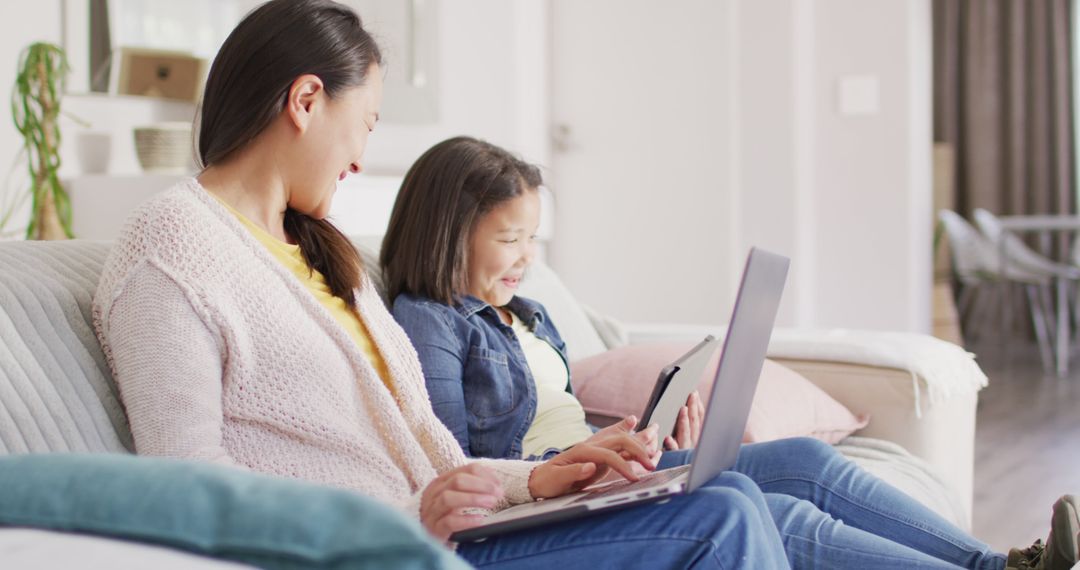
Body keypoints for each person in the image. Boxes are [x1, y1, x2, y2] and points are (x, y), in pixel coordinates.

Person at [91, 1, 796, 568]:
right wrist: (409, 520)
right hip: (390, 550)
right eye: (365, 124)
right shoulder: (172, 250)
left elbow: (432, 453)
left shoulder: (322, 251)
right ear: (306, 100)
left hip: (453, 533)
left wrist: (539, 481)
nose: (361, 158)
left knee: (729, 488)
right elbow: (185, 482)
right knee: (722, 515)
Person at [382, 136, 1080, 570]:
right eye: (510, 240)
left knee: (804, 461)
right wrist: (566, 470)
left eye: (534, 240)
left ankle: (1000, 567)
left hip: (588, 474)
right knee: (755, 504)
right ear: (449, 231)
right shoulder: (429, 322)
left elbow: (559, 415)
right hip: (540, 500)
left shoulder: (525, 315)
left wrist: (636, 438)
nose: (527, 260)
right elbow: (449, 465)